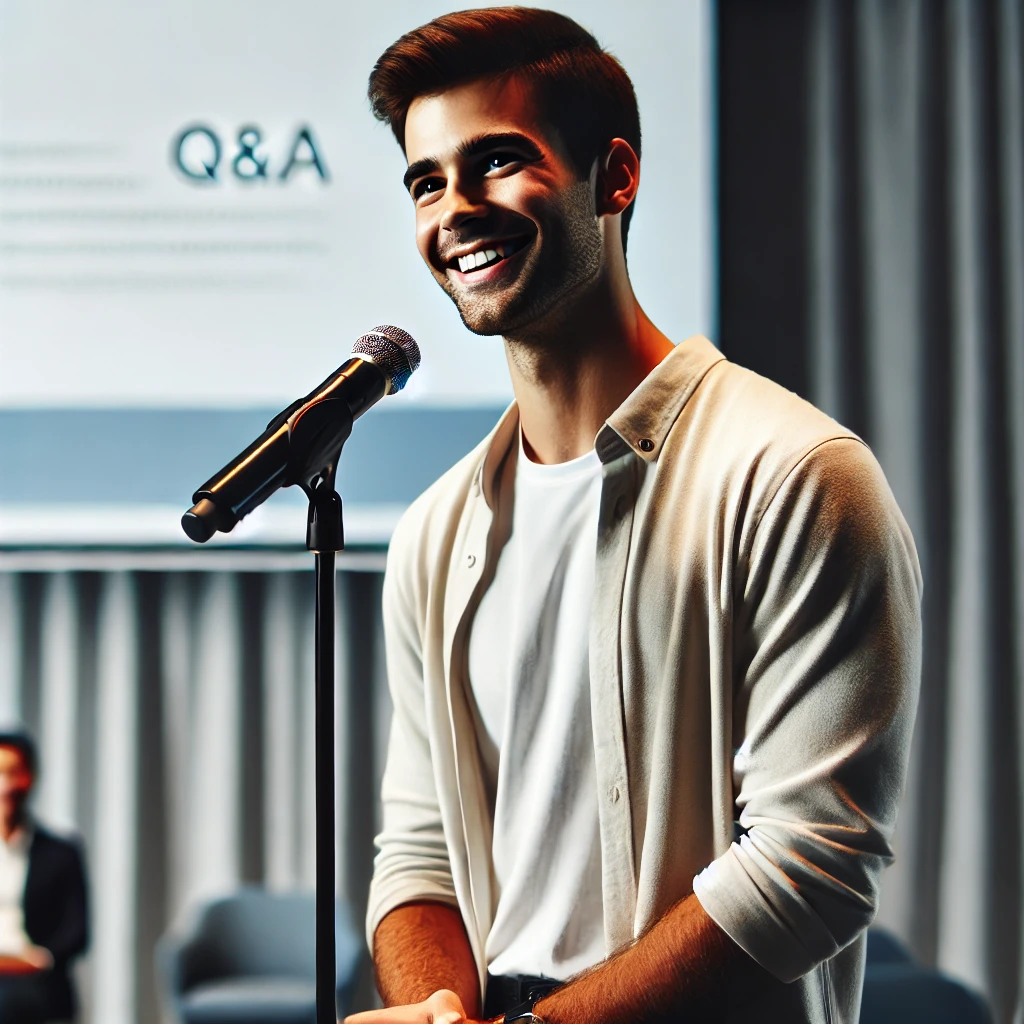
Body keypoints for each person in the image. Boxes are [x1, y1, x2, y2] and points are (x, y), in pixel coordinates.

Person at [348, 9, 921, 1024]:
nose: (455, 210)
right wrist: (440, 1011)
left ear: (614, 177)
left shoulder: (796, 476)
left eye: (496, 161)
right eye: (427, 182)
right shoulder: (434, 534)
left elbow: (811, 863)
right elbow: (420, 854)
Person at [0, 730, 88, 1024]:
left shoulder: (61, 853)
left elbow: (78, 932)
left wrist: (41, 958)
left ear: (31, 777)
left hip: (35, 978)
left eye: (14, 773)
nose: (6, 785)